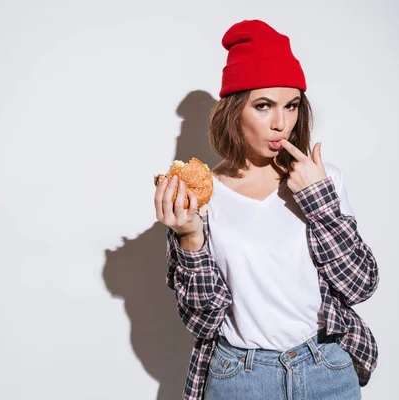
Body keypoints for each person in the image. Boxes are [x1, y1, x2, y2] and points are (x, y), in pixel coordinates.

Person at [154, 19, 379, 400]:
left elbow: (360, 285)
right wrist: (189, 237)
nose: (281, 123)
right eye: (263, 106)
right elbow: (203, 320)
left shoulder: (322, 180)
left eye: (291, 106)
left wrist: (320, 202)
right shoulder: (203, 196)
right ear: (234, 111)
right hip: (240, 378)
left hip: (325, 368)